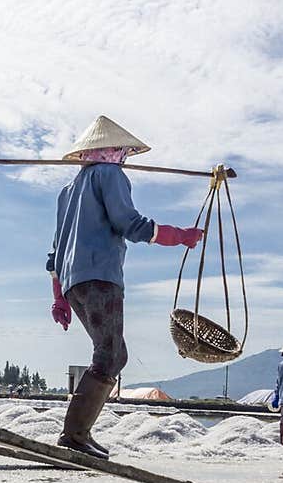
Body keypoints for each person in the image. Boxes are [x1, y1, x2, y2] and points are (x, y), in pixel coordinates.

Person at [47, 115, 203, 458]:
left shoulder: (67, 192)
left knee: (112, 354)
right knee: (111, 355)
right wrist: (180, 236)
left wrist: (59, 296)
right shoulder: (110, 175)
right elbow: (129, 224)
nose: (124, 157)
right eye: (121, 151)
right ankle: (74, 434)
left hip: (74, 282)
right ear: (112, 150)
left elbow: (55, 251)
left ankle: (78, 432)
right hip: (101, 276)